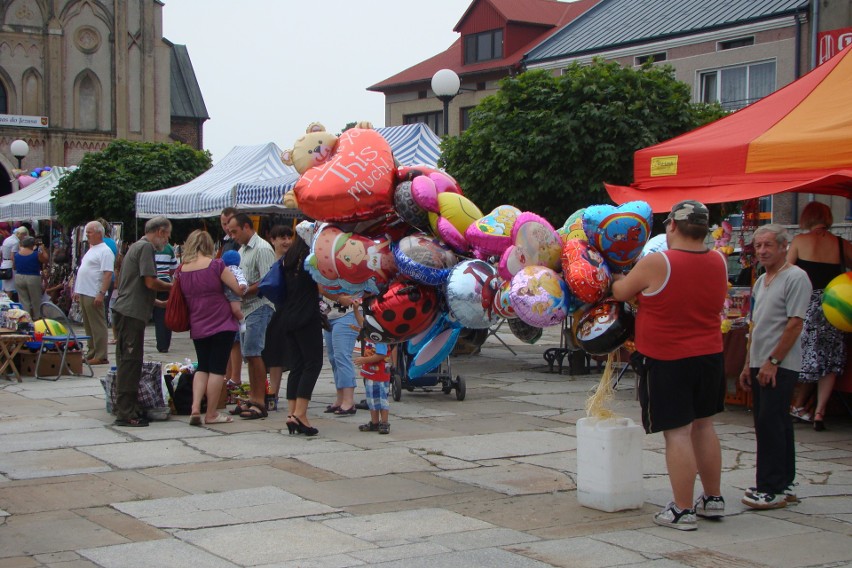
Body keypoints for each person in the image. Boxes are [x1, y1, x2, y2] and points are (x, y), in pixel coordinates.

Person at [611, 200, 728, 531]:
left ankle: (682, 508)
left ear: (672, 226)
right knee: (704, 426)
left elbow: (620, 291)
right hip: (709, 356)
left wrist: (619, 275)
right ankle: (713, 498)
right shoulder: (718, 260)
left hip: (668, 359)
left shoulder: (657, 262)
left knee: (677, 433)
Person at [739, 224, 811, 509]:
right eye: (758, 246)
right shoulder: (761, 281)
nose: (762, 251)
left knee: (770, 422)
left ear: (784, 246)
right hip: (760, 360)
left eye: (768, 245)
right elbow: (756, 325)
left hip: (780, 363)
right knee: (774, 421)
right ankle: (784, 480)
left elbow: (795, 323)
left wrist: (774, 361)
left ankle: (770, 485)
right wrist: (748, 363)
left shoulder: (795, 277)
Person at [786, 202, 852, 431]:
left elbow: (786, 273)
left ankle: (797, 405)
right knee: (830, 361)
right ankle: (819, 412)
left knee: (803, 357)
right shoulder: (841, 244)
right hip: (834, 306)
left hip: (806, 305)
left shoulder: (800, 241)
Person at [111, 217, 173, 427]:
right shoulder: (146, 248)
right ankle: (126, 412)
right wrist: (173, 287)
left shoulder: (136, 246)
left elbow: (134, 285)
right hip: (131, 314)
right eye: (167, 234)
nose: (168, 240)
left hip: (127, 310)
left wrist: (156, 303)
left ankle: (127, 406)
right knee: (130, 362)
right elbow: (149, 281)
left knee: (127, 361)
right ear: (160, 231)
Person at [179, 230, 243, 426]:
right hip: (221, 322)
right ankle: (212, 413)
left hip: (198, 323)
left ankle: (195, 407)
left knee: (203, 367)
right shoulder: (216, 265)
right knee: (217, 369)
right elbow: (236, 287)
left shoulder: (182, 270)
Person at [226, 213, 276, 419]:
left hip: (259, 306)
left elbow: (267, 281)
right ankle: (254, 397)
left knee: (254, 353)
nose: (232, 236)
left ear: (247, 227)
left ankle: (259, 401)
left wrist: (243, 292)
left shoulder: (262, 248)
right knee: (249, 354)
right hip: (246, 309)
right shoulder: (242, 249)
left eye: (235, 231)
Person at [280, 232, 323, 436]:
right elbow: (322, 286)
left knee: (297, 366)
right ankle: (300, 414)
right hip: (307, 316)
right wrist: (342, 298)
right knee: (313, 364)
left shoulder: (289, 257)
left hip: (288, 316)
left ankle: (292, 414)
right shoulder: (310, 257)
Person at [73, 221, 115, 365]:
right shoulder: (92, 249)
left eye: (90, 232)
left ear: (98, 233)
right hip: (85, 291)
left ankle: (101, 354)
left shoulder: (105, 251)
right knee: (88, 325)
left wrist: (101, 292)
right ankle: (92, 351)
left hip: (94, 292)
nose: (87, 235)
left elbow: (108, 273)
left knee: (97, 324)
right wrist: (77, 290)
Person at [261, 224, 294, 409]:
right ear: (272, 240)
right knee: (266, 353)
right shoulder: (268, 259)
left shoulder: (292, 261)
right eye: (282, 237)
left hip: (283, 311)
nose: (287, 241)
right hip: (266, 309)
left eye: (289, 237)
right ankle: (265, 391)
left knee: (277, 354)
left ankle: (273, 393)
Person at [319, 287, 360, 415]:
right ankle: (340, 398)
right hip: (329, 314)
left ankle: (348, 400)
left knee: (342, 355)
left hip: (348, 313)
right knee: (333, 358)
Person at [353, 302, 391, 434]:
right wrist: (355, 310)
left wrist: (364, 360)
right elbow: (362, 323)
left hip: (380, 374)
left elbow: (380, 355)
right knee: (371, 399)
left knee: (381, 399)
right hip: (370, 373)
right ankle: (374, 422)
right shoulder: (371, 332)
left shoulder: (381, 337)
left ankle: (384, 422)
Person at [219, 207, 243, 388]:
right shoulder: (226, 242)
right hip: (226, 295)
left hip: (235, 292)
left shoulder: (237, 243)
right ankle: (226, 376)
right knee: (227, 341)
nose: (226, 227)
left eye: (229, 223)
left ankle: (235, 377)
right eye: (223, 223)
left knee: (235, 341)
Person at [152, 238, 178, 353]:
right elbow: (173, 268)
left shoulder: (149, 247)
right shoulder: (169, 248)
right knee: (162, 315)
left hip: (151, 282)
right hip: (165, 284)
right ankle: (163, 345)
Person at [13, 236, 48, 318]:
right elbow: (46, 259)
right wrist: (42, 249)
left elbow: (14, 267)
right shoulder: (36, 254)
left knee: (23, 300)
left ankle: (26, 318)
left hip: (19, 277)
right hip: (33, 277)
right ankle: (37, 317)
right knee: (36, 299)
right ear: (32, 244)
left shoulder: (17, 255)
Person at [220, 250, 248, 331]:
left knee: (235, 309)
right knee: (232, 310)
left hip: (233, 294)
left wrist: (242, 284)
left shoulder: (233, 269)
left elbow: (240, 276)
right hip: (227, 293)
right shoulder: (224, 269)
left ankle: (242, 322)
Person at [2, 226, 29, 302]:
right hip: (10, 265)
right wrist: (15, 267)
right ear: (21, 234)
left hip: (4, 263)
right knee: (10, 288)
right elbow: (13, 257)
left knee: (6, 287)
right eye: (24, 236)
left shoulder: (7, 239)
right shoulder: (15, 242)